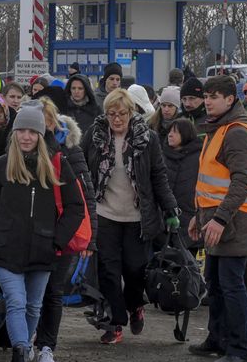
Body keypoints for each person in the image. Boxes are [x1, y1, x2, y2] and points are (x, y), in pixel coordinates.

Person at [0, 101, 84, 362]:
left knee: (34, 306)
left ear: (40, 135)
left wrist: (57, 241)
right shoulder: (1, 166)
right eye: (21, 131)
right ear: (14, 133)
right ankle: (21, 351)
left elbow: (76, 207)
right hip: (5, 248)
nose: (26, 137)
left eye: (32, 132)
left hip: (43, 249)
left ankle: (25, 346)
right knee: (16, 301)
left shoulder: (57, 166)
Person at [81, 89, 179, 344]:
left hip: (137, 215)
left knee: (135, 269)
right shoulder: (95, 135)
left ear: (131, 113)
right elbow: (81, 168)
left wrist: (170, 208)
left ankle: (135, 305)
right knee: (108, 271)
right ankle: (114, 322)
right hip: (104, 213)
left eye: (122, 114)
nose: (116, 119)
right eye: (111, 114)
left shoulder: (147, 138)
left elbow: (158, 175)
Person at [187, 75, 247, 362]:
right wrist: (199, 215)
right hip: (217, 220)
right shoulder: (218, 128)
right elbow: (210, 181)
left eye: (213, 97)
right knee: (215, 285)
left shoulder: (237, 132)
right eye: (206, 96)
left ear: (230, 100)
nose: (207, 101)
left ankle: (239, 350)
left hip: (234, 223)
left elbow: (243, 181)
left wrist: (218, 219)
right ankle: (217, 339)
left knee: (231, 286)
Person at [34, 97, 97, 362]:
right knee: (30, 291)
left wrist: (90, 237)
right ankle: (28, 339)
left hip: (62, 230)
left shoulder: (70, 150)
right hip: (30, 231)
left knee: (53, 290)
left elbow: (86, 195)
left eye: (44, 122)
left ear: (53, 123)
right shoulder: (20, 151)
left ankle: (46, 345)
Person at [162, 118, 203, 249]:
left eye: (175, 132)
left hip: (191, 217)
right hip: (165, 218)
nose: (170, 135)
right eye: (169, 131)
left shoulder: (199, 157)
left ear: (186, 134)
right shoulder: (162, 155)